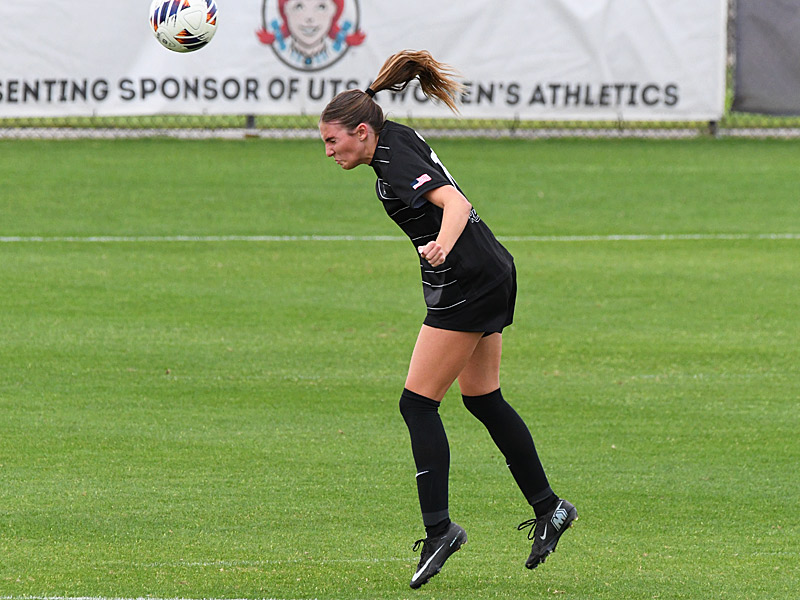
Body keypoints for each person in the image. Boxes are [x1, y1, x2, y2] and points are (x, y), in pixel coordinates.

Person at [319, 50, 577, 589]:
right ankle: (550, 508)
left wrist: (440, 244)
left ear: (361, 132)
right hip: (489, 270)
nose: (328, 151)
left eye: (332, 141)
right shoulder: (392, 137)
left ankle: (440, 529)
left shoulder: (392, 159)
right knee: (483, 398)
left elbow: (455, 204)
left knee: (417, 404)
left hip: (467, 280)